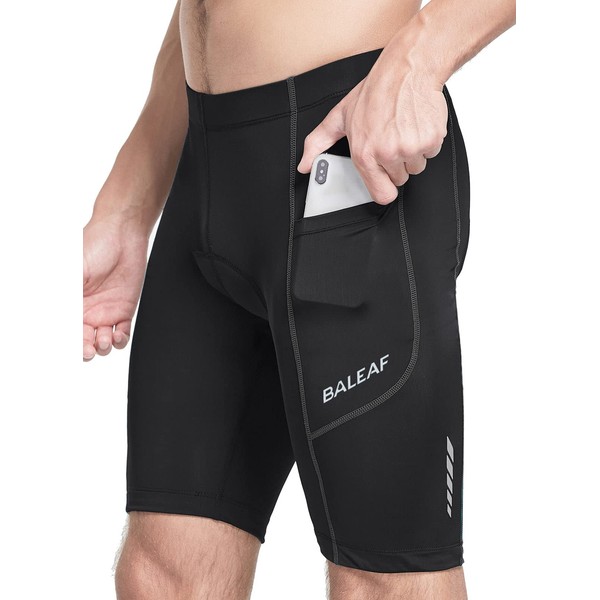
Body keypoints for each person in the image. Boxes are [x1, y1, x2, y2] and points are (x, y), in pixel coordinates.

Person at [83, 0, 515, 597]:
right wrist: (128, 204)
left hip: (347, 155)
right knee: (162, 575)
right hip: (207, 166)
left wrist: (418, 59)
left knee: (384, 581)